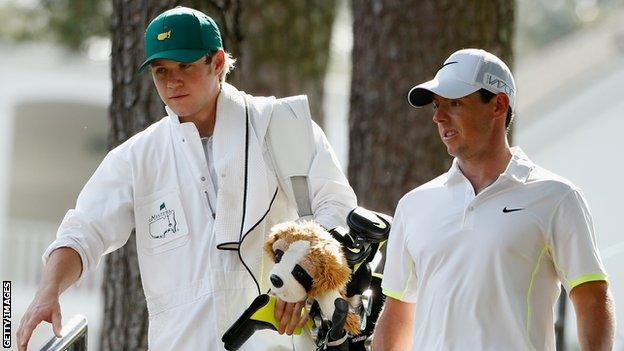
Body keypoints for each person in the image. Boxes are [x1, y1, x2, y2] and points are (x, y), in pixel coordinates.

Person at [16, 6, 357, 351]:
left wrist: (302, 277)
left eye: (185, 66)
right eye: (161, 70)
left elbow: (337, 208)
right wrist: (48, 292)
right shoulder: (137, 157)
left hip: (278, 342)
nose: (171, 81)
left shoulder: (282, 126)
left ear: (219, 62)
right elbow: (84, 231)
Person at [373, 48, 616, 350]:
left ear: (498, 104)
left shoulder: (557, 197)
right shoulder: (413, 205)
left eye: (455, 103)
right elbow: (397, 314)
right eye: (437, 106)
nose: (438, 116)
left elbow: (592, 296)